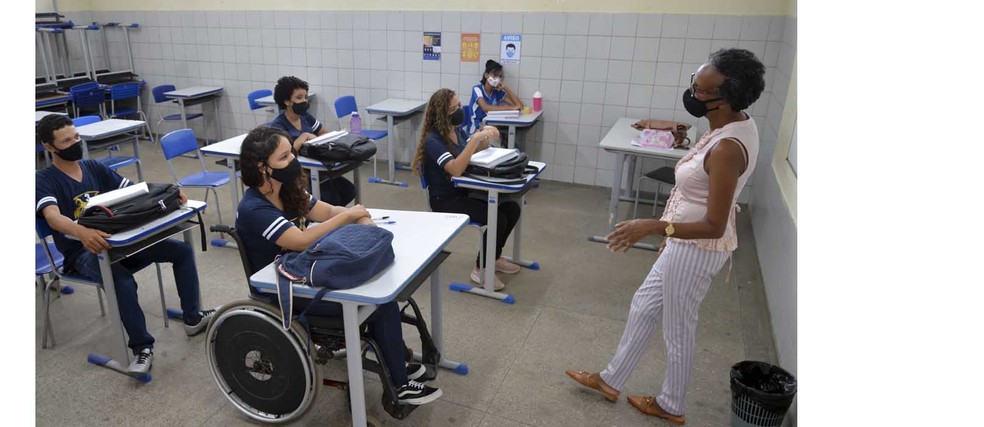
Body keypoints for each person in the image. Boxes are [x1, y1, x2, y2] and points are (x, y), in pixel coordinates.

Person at [565, 48, 766, 426]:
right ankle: (611, 379)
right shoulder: (732, 125)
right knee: (643, 306)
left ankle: (672, 405)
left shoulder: (726, 148)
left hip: (697, 247)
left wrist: (657, 226)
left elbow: (715, 224)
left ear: (724, 99)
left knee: (678, 327)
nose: (692, 92)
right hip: (682, 243)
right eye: (694, 82)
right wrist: (670, 233)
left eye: (700, 89)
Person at [234, 125, 442, 405]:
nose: (293, 162)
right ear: (262, 168)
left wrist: (360, 219)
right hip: (284, 291)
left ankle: (396, 364)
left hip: (308, 272)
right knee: (380, 303)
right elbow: (300, 240)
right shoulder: (254, 208)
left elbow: (329, 211)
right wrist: (349, 217)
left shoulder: (287, 190)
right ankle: (399, 384)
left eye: (291, 154)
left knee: (382, 290)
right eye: (284, 158)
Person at [35, 114, 215, 375]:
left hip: (121, 242)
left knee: (182, 251)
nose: (75, 143)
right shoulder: (44, 179)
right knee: (121, 281)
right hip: (82, 252)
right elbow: (52, 217)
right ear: (49, 147)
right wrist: (82, 233)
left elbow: (136, 189)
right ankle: (142, 347)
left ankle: (193, 318)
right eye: (67, 141)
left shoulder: (93, 167)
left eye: (76, 137)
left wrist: (169, 193)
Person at [412, 88, 520, 291]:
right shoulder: (433, 140)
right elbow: (455, 169)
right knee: (497, 217)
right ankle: (481, 269)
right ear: (441, 114)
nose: (458, 111)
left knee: (512, 208)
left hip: (463, 191)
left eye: (459, 105)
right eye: (453, 109)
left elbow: (476, 149)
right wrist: (475, 139)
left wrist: (486, 136)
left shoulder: (456, 130)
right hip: (444, 199)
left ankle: (493, 257)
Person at [269, 75, 357, 207]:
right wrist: (304, 136)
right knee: (331, 198)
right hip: (300, 175)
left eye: (305, 97)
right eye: (299, 98)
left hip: (319, 166)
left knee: (349, 190)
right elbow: (286, 152)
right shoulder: (279, 125)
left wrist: (319, 140)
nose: (304, 101)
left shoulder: (305, 117)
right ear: (287, 101)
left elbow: (323, 132)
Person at [466, 60, 523, 135]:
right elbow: (485, 107)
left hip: (490, 128)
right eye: (494, 75)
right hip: (476, 129)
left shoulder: (497, 92)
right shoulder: (477, 89)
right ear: (486, 75)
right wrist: (512, 108)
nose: (497, 79)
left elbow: (520, 106)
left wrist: (506, 88)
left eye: (499, 77)